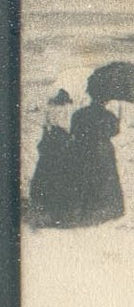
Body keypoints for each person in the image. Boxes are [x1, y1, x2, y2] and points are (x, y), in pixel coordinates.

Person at [66, 93, 126, 227]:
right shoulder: (109, 115)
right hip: (102, 151)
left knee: (84, 178)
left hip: (82, 151)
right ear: (104, 102)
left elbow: (73, 131)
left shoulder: (79, 113)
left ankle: (83, 209)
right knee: (105, 179)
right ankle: (106, 210)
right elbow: (114, 132)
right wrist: (118, 120)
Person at [28, 90, 77, 227]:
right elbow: (70, 129)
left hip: (50, 141)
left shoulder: (50, 109)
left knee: (45, 172)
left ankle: (43, 204)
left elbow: (45, 127)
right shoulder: (68, 110)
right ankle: (59, 207)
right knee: (61, 173)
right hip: (61, 141)